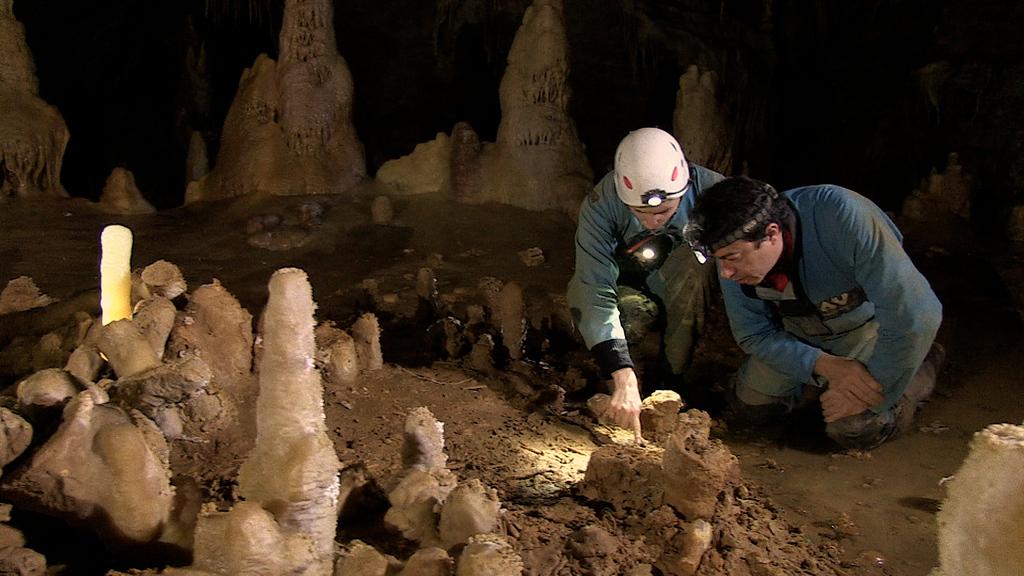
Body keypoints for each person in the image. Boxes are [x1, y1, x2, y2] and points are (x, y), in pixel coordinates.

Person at [684, 176, 943, 449]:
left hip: (864, 327)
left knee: (854, 428)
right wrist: (828, 366)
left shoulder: (842, 218)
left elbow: (915, 315)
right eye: (719, 260)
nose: (725, 273)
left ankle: (917, 373)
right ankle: (823, 383)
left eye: (732, 259)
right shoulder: (731, 244)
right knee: (752, 408)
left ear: (771, 234)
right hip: (798, 332)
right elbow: (753, 334)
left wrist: (875, 387)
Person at [567, 127, 724, 439]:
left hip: (682, 281)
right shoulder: (601, 205)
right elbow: (592, 284)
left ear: (685, 188)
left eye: (664, 211)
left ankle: (672, 378)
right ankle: (619, 381)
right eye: (640, 212)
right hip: (628, 283)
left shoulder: (716, 194)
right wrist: (623, 377)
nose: (653, 221)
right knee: (628, 322)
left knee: (699, 268)